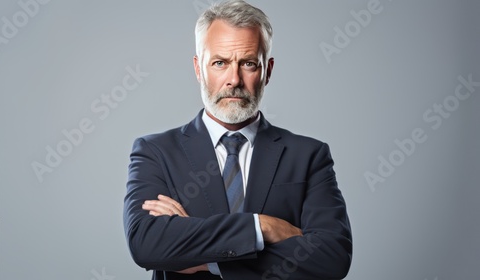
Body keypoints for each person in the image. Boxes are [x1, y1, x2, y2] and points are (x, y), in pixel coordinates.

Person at [123, 1, 352, 279]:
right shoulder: (156, 152)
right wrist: (261, 228)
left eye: (248, 63)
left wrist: (205, 256)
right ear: (198, 69)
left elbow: (332, 257)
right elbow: (148, 244)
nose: (234, 79)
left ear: (267, 70)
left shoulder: (308, 155)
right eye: (220, 63)